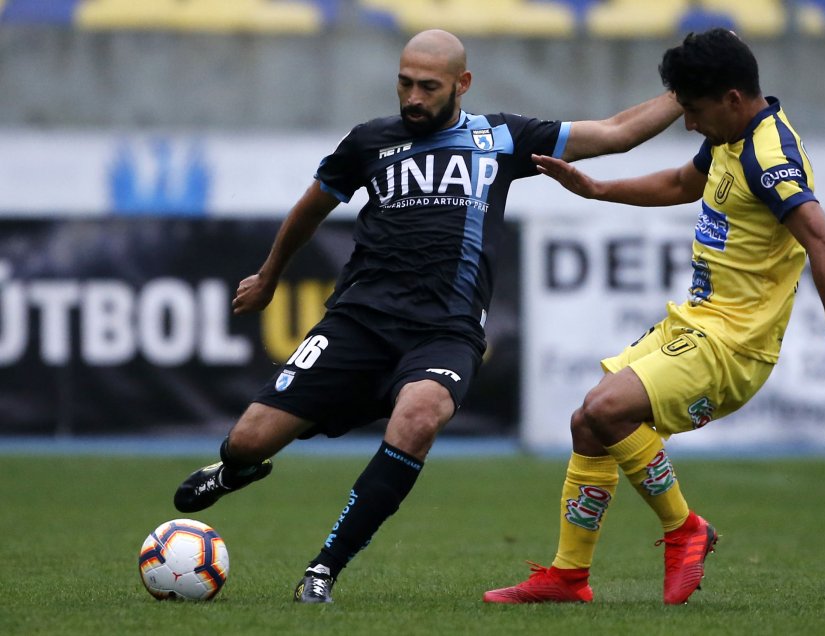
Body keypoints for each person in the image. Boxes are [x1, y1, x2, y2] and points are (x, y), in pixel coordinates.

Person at [172, 29, 684, 604]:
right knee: (247, 440)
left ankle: (323, 569)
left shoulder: (502, 138)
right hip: (358, 322)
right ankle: (234, 471)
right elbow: (311, 207)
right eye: (404, 83)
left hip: (445, 331)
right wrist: (269, 277)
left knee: (419, 417)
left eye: (428, 87)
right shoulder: (369, 142)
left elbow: (616, 133)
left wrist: (688, 87)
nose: (412, 97)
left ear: (461, 85)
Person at [483, 28, 825, 606]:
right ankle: (569, 577)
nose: (689, 123)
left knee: (605, 409)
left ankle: (684, 528)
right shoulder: (731, 136)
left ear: (733, 98)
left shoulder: (771, 157)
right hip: (696, 323)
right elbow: (678, 183)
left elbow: (824, 243)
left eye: (693, 111)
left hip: (733, 346)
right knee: (587, 424)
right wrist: (597, 189)